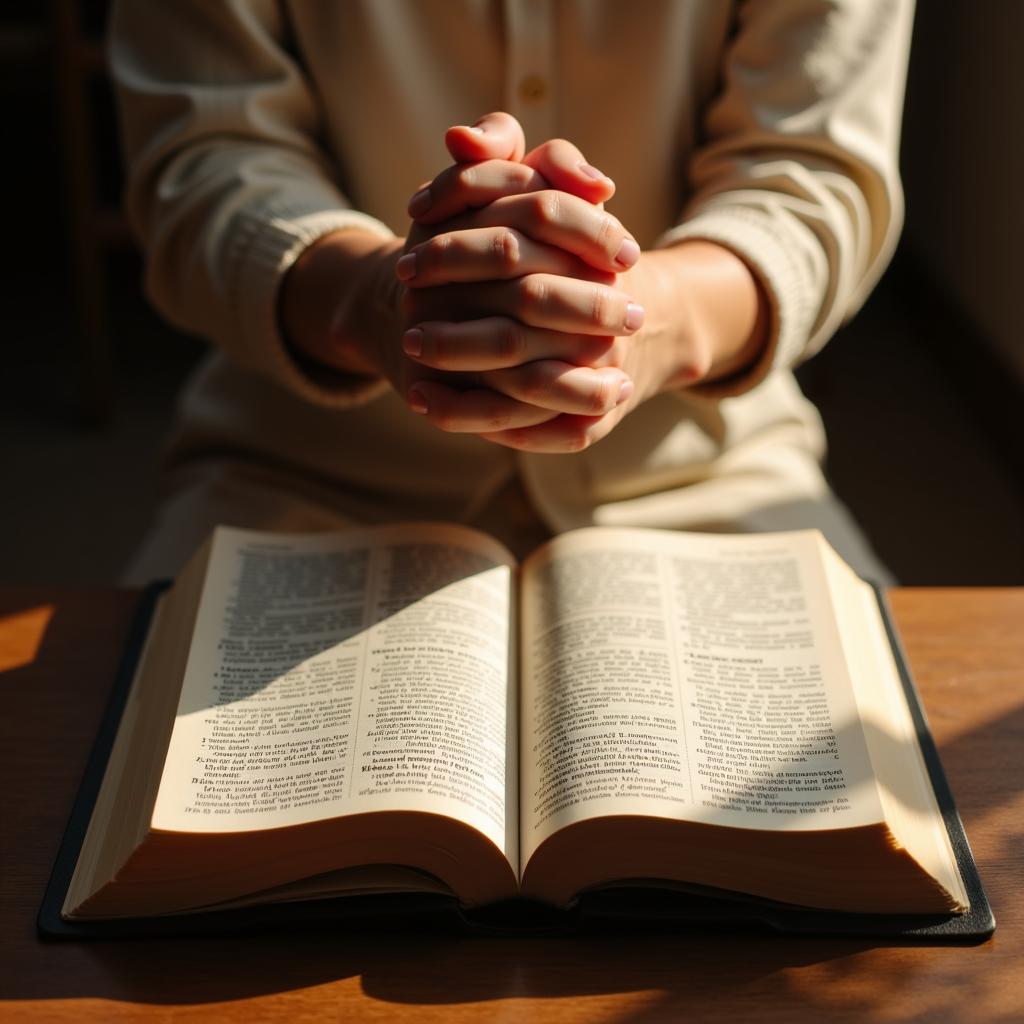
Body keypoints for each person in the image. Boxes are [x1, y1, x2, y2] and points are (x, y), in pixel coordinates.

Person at [110, 0, 914, 582]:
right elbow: (205, 158)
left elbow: (811, 174)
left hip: (705, 477)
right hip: (301, 478)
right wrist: (375, 301)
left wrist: (639, 319)